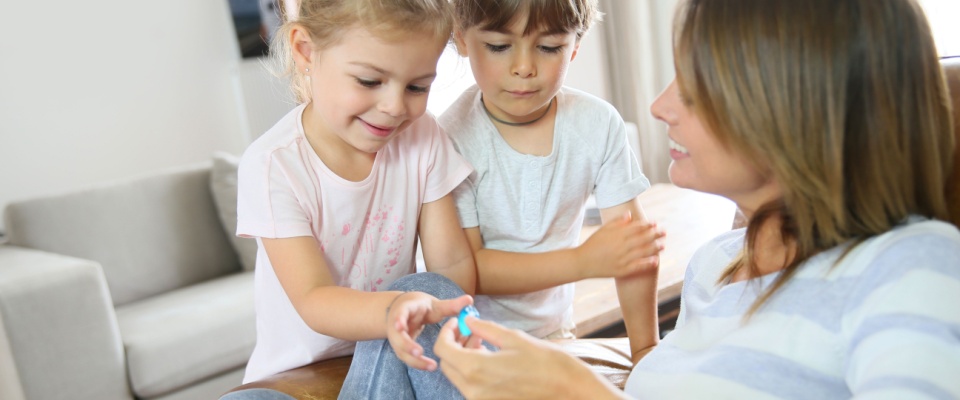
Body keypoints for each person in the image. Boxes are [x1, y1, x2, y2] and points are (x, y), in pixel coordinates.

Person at [434, 0, 960, 398]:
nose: (660, 106)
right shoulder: (713, 270)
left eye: (695, 84)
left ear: (791, 107)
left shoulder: (911, 265)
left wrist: (579, 389)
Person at [224, 0, 478, 399]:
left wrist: (445, 315)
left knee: (432, 287)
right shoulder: (274, 164)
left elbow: (453, 265)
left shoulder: (423, 137)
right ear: (306, 51)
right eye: (369, 81)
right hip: (299, 377)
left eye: (417, 87)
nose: (395, 107)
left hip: (393, 353)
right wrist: (394, 310)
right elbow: (314, 300)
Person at [441, 0, 665, 343]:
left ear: (574, 46)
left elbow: (634, 252)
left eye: (548, 47)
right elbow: (467, 271)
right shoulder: (450, 139)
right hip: (467, 338)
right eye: (499, 46)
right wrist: (582, 262)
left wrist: (645, 351)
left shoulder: (598, 125)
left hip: (556, 334)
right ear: (460, 38)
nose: (524, 67)